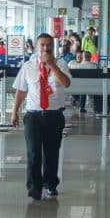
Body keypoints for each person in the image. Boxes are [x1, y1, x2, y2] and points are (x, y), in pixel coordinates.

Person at [11, 33, 72, 201]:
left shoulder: (61, 64)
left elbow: (66, 83)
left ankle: (50, 184)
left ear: (53, 46)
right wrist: (14, 111)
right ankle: (34, 187)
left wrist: (52, 65)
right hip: (34, 116)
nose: (45, 48)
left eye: (48, 45)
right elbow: (21, 90)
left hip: (54, 115)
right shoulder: (28, 66)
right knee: (33, 152)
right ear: (37, 47)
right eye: (42, 45)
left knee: (51, 153)